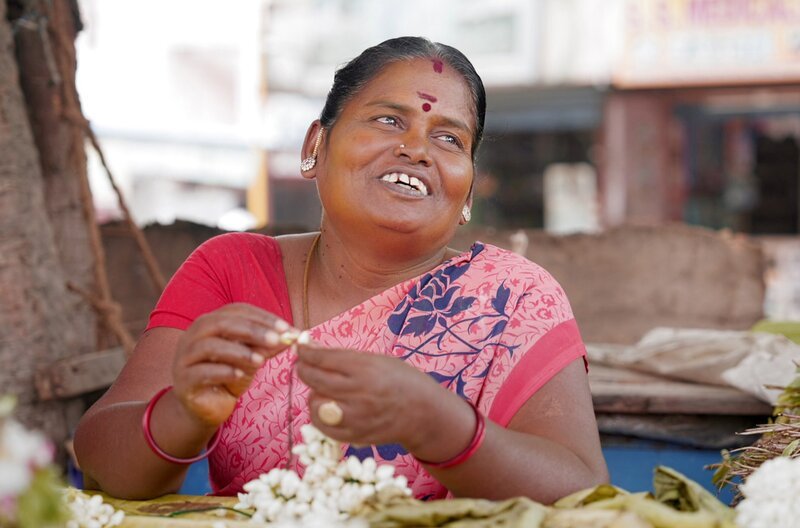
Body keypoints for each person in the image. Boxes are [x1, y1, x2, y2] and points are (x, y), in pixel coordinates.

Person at [74, 36, 608, 504]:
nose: (417, 149)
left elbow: (580, 493)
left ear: (468, 189)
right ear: (314, 145)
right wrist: (183, 412)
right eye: (388, 120)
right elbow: (102, 463)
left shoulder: (514, 298)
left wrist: (438, 425)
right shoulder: (230, 272)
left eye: (449, 138)